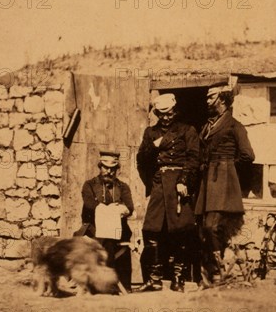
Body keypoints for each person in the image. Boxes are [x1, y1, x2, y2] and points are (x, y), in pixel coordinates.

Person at [136, 93, 200, 292]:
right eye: (161, 114)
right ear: (156, 113)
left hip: (179, 186)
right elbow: (141, 160)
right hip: (159, 185)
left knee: (180, 231)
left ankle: (178, 278)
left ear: (175, 112)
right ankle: (154, 279)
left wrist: (184, 181)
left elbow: (194, 159)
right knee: (151, 230)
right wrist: (154, 147)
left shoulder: (187, 130)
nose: (166, 118)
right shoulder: (150, 132)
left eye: (169, 114)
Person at [195, 84, 255, 285]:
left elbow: (248, 155)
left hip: (222, 182)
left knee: (211, 227)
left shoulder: (234, 125)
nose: (206, 101)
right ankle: (211, 274)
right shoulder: (208, 125)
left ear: (221, 99)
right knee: (205, 228)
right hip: (207, 182)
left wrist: (227, 168)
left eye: (210, 97)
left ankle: (218, 271)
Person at [79, 151, 134, 291]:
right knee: (105, 241)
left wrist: (122, 210)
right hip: (94, 229)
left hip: (118, 230)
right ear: (100, 166)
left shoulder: (123, 187)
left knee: (119, 243)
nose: (109, 171)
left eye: (112, 169)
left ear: (116, 169)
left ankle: (122, 284)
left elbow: (129, 207)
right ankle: (104, 284)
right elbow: (90, 204)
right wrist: (111, 209)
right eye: (105, 167)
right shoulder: (89, 185)